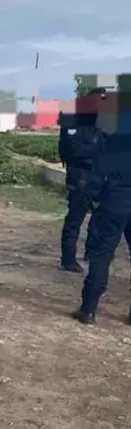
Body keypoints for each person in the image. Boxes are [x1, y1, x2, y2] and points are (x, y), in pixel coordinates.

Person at [73, 93, 131, 324]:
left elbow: (97, 177)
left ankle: (88, 309)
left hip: (113, 202)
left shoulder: (110, 141)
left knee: (102, 255)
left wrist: (94, 199)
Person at [58, 102, 102, 272]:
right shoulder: (73, 122)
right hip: (80, 178)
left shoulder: (99, 123)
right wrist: (100, 149)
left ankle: (91, 252)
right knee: (75, 218)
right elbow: (76, 151)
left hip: (97, 176)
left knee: (98, 217)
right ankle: (68, 259)